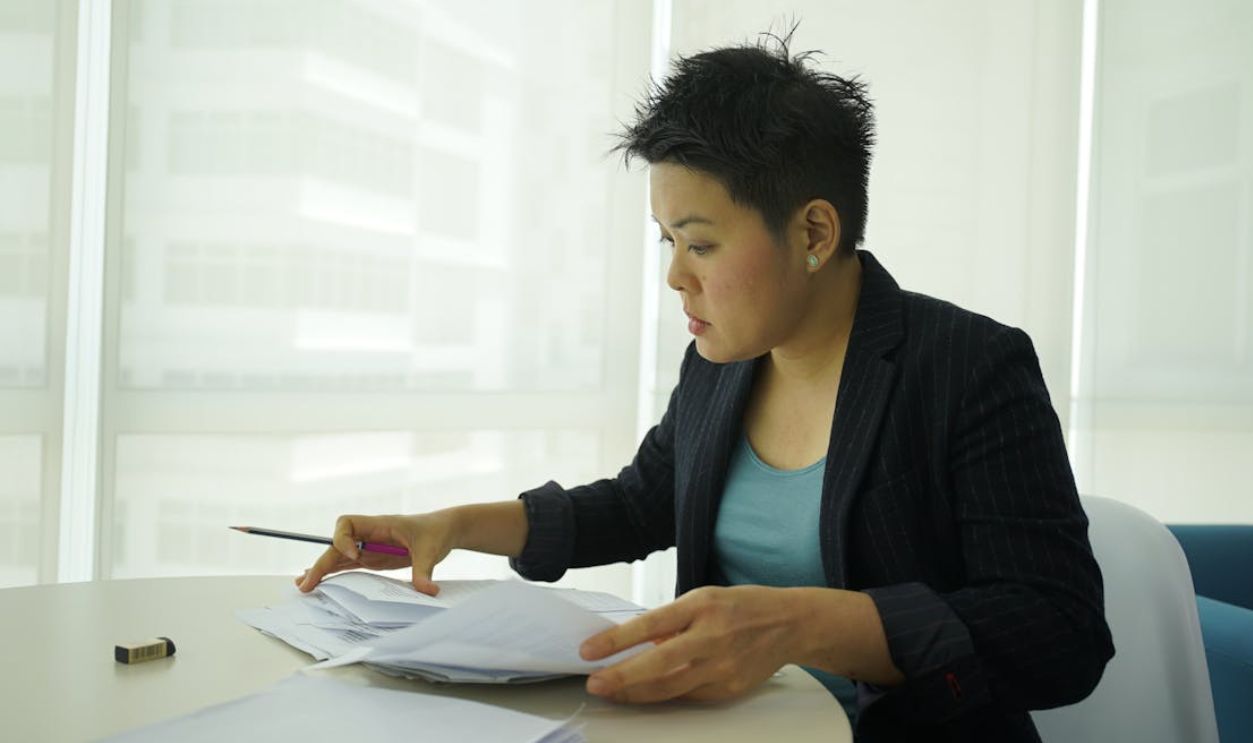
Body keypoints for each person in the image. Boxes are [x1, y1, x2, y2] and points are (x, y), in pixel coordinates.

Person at [296, 31, 1114, 742]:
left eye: (700, 244)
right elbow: (638, 501)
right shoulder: (721, 362)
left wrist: (799, 621)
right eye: (665, 241)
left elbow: (1058, 631)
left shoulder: (967, 366)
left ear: (814, 232)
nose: (673, 278)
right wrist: (450, 524)